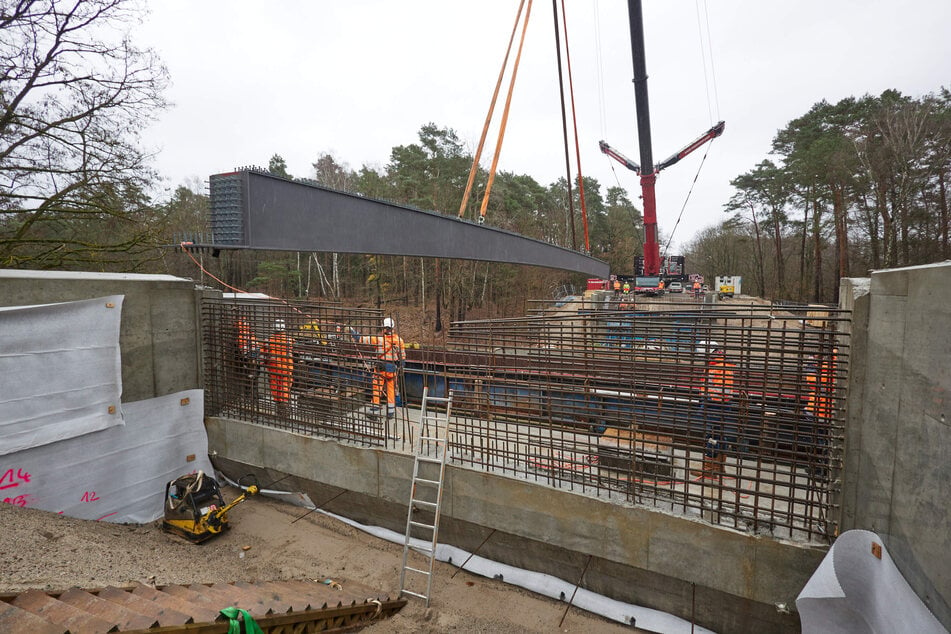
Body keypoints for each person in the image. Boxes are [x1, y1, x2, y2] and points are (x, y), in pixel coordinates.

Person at [358, 317, 405, 438]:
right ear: (393, 328)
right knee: (390, 389)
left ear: (384, 328)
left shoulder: (379, 340)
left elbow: (362, 339)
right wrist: (399, 365)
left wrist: (354, 333)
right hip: (392, 369)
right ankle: (390, 412)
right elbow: (403, 357)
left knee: (377, 388)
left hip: (380, 369)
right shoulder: (399, 340)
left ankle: (374, 412)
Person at [701, 348, 736, 472]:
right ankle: (719, 465)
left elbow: (719, 390)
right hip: (721, 403)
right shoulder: (723, 365)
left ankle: (708, 468)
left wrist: (708, 398)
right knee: (720, 433)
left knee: (713, 434)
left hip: (715, 404)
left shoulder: (719, 367)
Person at [261, 319, 294, 416]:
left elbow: (263, 354)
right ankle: (285, 407)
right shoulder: (289, 339)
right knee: (285, 387)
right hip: (286, 368)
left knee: (275, 387)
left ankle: (280, 407)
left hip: (274, 368)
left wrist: (265, 362)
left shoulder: (268, 340)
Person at [233, 309, 259, 405]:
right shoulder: (250, 335)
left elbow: (240, 351)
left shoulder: (241, 337)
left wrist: (243, 360)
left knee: (249, 379)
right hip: (253, 359)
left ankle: (250, 398)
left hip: (248, 360)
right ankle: (253, 398)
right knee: (253, 379)